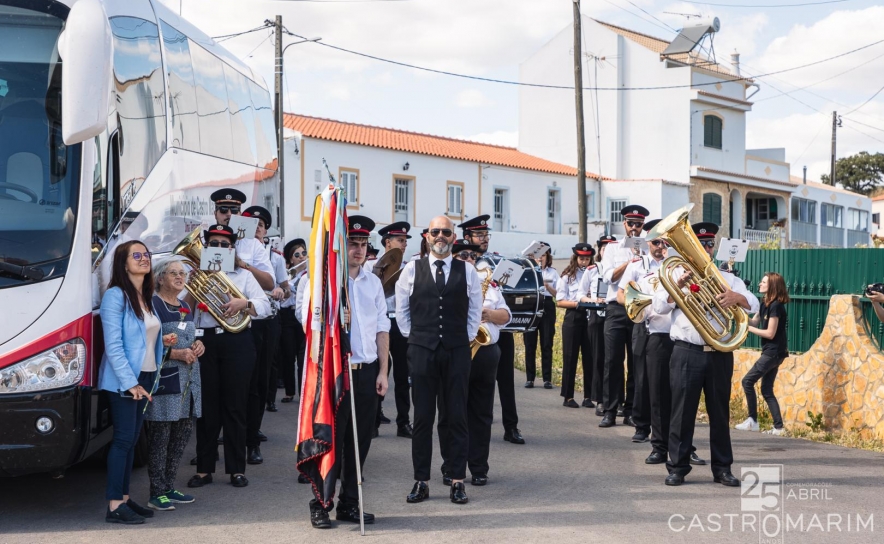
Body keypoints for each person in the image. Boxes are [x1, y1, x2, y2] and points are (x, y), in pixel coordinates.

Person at [653, 222, 759, 487]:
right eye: (701, 245)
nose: (707, 249)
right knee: (682, 412)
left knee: (720, 414)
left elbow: (754, 304)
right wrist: (675, 289)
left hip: (719, 353)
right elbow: (657, 307)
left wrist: (738, 297)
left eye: (710, 244)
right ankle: (677, 467)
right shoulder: (675, 273)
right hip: (686, 352)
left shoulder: (729, 278)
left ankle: (722, 469)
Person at [304, 216, 390, 529]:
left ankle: (349, 505)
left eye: (363, 244)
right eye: (353, 243)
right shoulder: (323, 283)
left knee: (360, 442)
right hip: (336, 373)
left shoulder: (374, 283)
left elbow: (382, 328)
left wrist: (383, 371)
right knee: (329, 441)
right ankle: (320, 503)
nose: (358, 249)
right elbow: (311, 327)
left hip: (366, 373)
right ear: (342, 246)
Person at [396, 216, 483, 505]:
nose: (441, 236)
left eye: (446, 232)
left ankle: (458, 480)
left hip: (457, 350)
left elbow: (474, 312)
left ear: (453, 236)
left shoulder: (467, 271)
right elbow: (402, 314)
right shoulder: (411, 269)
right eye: (436, 232)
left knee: (456, 415)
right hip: (422, 350)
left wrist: (461, 338)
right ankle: (421, 480)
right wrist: (420, 338)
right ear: (427, 236)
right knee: (422, 417)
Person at [186, 225, 271, 489]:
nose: (219, 249)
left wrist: (243, 303)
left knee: (235, 406)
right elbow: (181, 308)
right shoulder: (195, 275)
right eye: (214, 244)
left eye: (225, 245)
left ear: (232, 249)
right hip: (205, 342)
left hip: (237, 342)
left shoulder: (243, 276)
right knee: (206, 407)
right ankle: (204, 468)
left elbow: (267, 305)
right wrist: (194, 285)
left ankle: (236, 469)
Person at [98, 240, 175, 524]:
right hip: (123, 380)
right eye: (137, 255)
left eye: (146, 254)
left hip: (144, 376)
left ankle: (126, 499)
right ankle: (115, 505)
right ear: (123, 262)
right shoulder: (115, 296)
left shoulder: (145, 295)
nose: (144, 259)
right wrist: (130, 383)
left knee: (131, 442)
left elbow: (142, 336)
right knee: (121, 441)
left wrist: (160, 343)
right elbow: (114, 345)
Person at [439, 240, 511, 486]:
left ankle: (479, 467)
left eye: (472, 255)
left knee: (482, 414)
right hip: (456, 352)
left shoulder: (489, 285)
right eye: (463, 255)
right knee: (450, 412)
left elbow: (506, 316)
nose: (469, 258)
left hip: (485, 352)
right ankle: (450, 465)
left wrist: (487, 314)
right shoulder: (445, 284)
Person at [145, 258, 205, 511]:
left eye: (183, 273)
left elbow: (190, 336)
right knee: (161, 440)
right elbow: (143, 345)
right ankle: (156, 492)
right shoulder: (152, 304)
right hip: (167, 381)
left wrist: (199, 346)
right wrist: (174, 354)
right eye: (173, 273)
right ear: (159, 278)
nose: (180, 277)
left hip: (189, 382)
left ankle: (169, 486)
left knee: (180, 437)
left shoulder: (184, 305)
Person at [461, 215, 524, 445]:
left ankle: (511, 426)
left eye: (486, 235)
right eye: (479, 235)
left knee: (506, 379)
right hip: (471, 335)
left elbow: (511, 291)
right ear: (467, 237)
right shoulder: (462, 260)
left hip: (497, 328)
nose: (484, 239)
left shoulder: (496, 263)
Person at [241, 205, 286, 465]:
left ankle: (252, 437)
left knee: (258, 382)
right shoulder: (236, 245)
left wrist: (281, 291)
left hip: (263, 319)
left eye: (260, 224)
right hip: (238, 319)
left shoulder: (275, 256)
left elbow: (280, 285)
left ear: (266, 229)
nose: (256, 228)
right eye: (251, 223)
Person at [599, 205, 650, 428]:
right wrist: (629, 262)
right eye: (631, 224)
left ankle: (630, 410)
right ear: (624, 224)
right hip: (616, 308)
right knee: (612, 361)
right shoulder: (612, 248)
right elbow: (608, 277)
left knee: (637, 361)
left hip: (639, 309)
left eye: (639, 225)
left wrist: (641, 258)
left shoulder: (649, 248)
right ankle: (610, 410)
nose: (635, 229)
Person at [616, 219, 664, 442]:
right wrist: (638, 305)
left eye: (664, 242)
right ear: (647, 242)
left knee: (667, 381)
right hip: (643, 326)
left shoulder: (674, 265)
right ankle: (642, 426)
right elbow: (620, 295)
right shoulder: (637, 265)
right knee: (642, 377)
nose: (660, 247)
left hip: (668, 329)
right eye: (656, 242)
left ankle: (665, 429)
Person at [372, 221, 414, 439]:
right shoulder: (373, 265)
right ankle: (374, 418)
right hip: (380, 323)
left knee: (402, 374)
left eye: (405, 240)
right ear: (388, 242)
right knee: (378, 371)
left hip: (399, 323)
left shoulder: (408, 268)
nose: (404, 244)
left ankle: (403, 422)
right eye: (400, 240)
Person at [737, 272, 790, 435]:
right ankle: (778, 428)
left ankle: (752, 420)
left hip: (773, 352)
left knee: (747, 381)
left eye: (764, 282)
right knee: (766, 389)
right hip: (773, 352)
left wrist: (748, 329)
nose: (760, 284)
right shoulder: (764, 303)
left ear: (772, 286)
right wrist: (739, 311)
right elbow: (754, 321)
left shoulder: (776, 306)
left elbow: (770, 333)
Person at [579, 235, 616, 415]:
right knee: (598, 358)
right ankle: (600, 399)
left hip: (614, 314)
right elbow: (580, 294)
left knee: (615, 360)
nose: (607, 250)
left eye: (611, 247)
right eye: (604, 247)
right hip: (597, 315)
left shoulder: (620, 269)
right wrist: (594, 300)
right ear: (600, 251)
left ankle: (618, 400)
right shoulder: (593, 269)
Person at [556, 244, 596, 408]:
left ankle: (588, 396)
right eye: (581, 258)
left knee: (589, 357)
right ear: (575, 258)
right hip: (573, 316)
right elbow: (559, 301)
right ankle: (568, 396)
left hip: (590, 316)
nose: (584, 262)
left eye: (587, 259)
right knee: (570, 356)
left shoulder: (594, 273)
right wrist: (577, 303)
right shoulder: (567, 276)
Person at [523, 244, 559, 389]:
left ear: (547, 257)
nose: (540, 258)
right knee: (530, 343)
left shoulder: (553, 273)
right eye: (537, 255)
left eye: (543, 255)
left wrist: (548, 286)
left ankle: (547, 379)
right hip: (531, 304)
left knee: (546, 343)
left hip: (547, 304)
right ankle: (530, 378)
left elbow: (559, 294)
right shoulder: (527, 272)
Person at [279, 239, 307, 403]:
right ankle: (289, 391)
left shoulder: (310, 274)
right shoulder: (287, 276)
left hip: (302, 316)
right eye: (297, 255)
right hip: (288, 317)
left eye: (304, 253)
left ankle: (304, 391)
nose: (302, 257)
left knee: (303, 356)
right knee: (289, 355)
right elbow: (282, 300)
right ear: (291, 260)